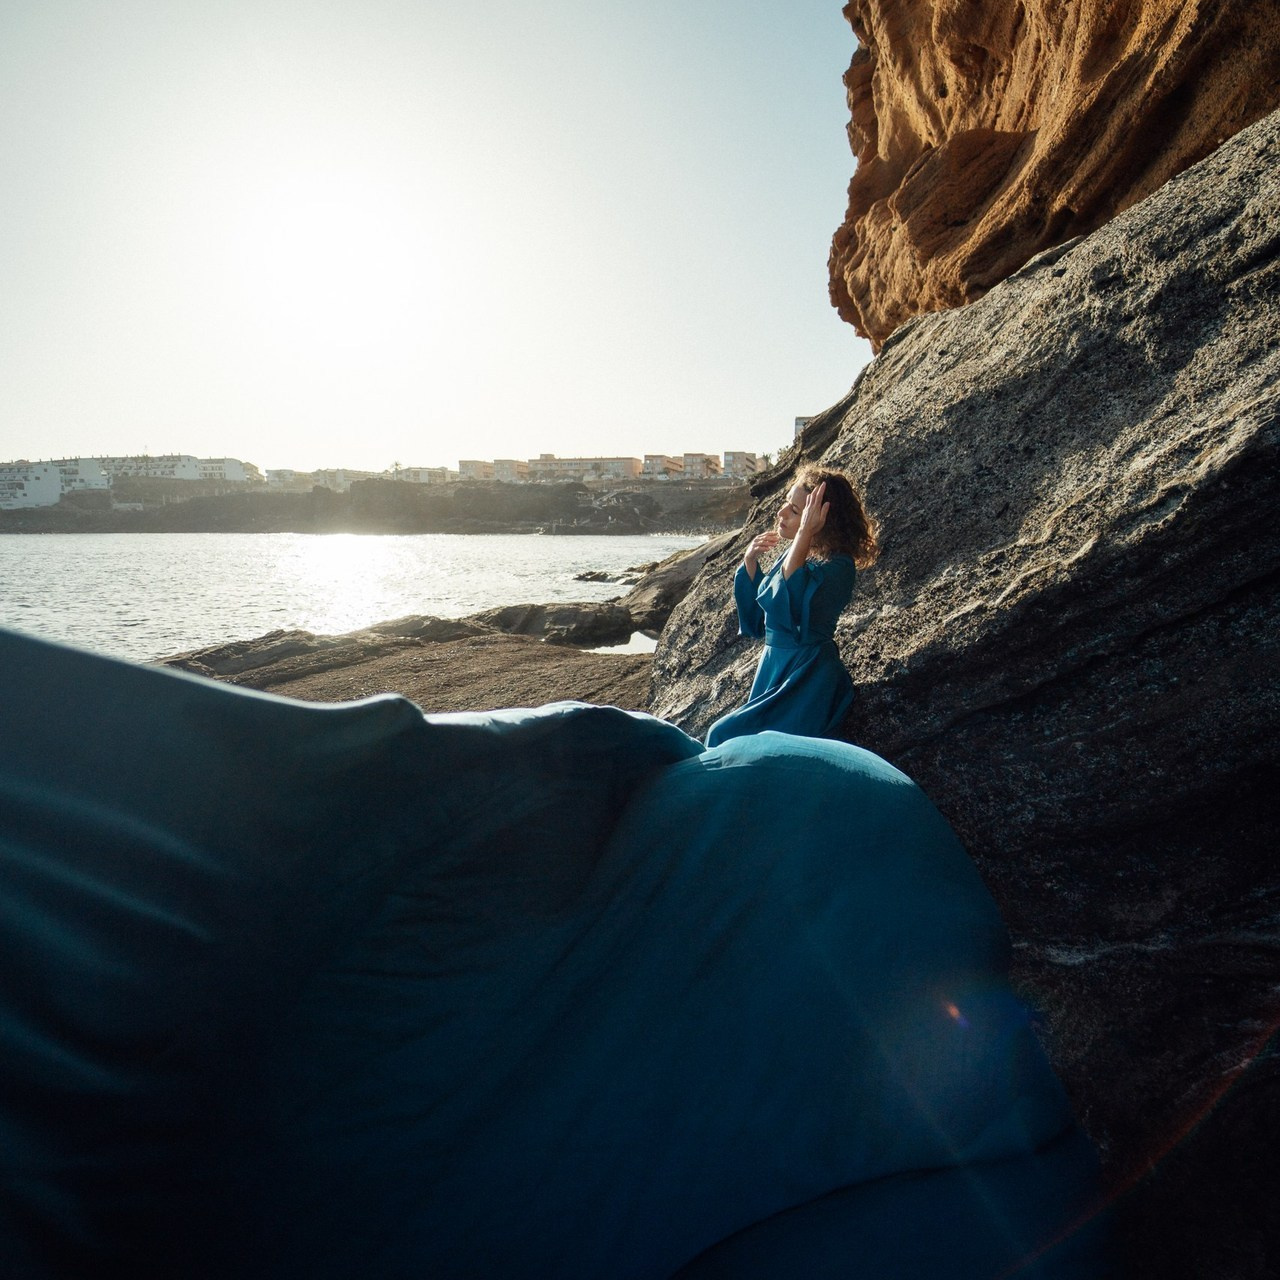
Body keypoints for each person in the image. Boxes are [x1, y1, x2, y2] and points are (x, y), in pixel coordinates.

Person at [705, 465, 879, 748]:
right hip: (775, 666)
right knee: (731, 742)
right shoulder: (795, 554)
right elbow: (764, 620)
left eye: (795, 511)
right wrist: (750, 564)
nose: (781, 513)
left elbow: (788, 601)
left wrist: (803, 535)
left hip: (807, 676)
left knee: (724, 736)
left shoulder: (839, 567)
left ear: (821, 520)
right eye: (786, 503)